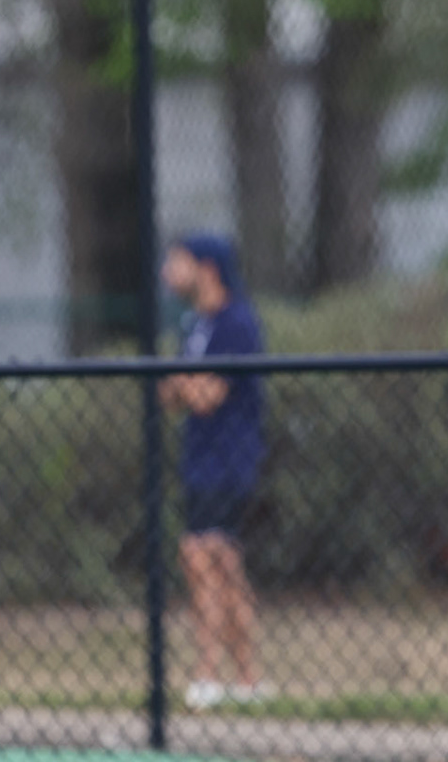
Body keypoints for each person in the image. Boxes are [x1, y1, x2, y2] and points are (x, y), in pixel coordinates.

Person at [159, 234, 269, 710]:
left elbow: (208, 396)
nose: (168, 271)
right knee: (220, 561)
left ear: (206, 268)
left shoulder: (236, 323)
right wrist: (186, 385)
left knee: (202, 554)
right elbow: (169, 393)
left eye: (177, 261)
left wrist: (185, 385)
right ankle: (247, 679)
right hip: (198, 458)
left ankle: (209, 673)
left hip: (229, 459)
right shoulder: (195, 324)